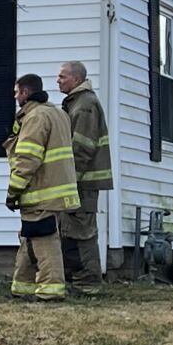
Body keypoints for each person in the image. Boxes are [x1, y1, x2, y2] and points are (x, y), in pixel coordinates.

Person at [5, 73, 80, 301]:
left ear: (26, 92)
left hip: (41, 191)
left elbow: (27, 159)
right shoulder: (58, 113)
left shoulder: (35, 117)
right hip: (56, 189)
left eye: (17, 92)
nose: (15, 97)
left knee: (44, 239)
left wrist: (13, 191)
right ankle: (23, 286)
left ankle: (51, 289)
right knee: (30, 237)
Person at [56, 61, 112, 289]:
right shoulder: (76, 103)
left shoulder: (85, 104)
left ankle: (87, 283)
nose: (58, 81)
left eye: (62, 77)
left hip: (81, 183)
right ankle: (76, 280)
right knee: (70, 231)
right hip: (76, 182)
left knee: (81, 234)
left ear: (77, 79)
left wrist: (68, 179)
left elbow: (82, 147)